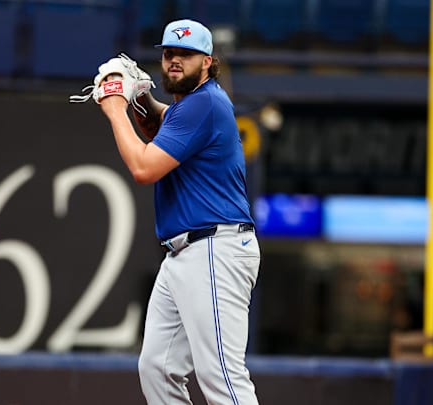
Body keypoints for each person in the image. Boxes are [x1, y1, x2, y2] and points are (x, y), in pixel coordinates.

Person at [96, 19, 261, 405]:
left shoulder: (203, 103)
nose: (174, 61)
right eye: (169, 53)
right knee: (157, 367)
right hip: (185, 253)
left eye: (185, 55)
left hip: (215, 249)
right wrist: (140, 101)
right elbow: (163, 125)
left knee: (221, 374)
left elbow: (143, 168)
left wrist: (116, 109)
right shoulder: (188, 105)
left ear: (207, 62)